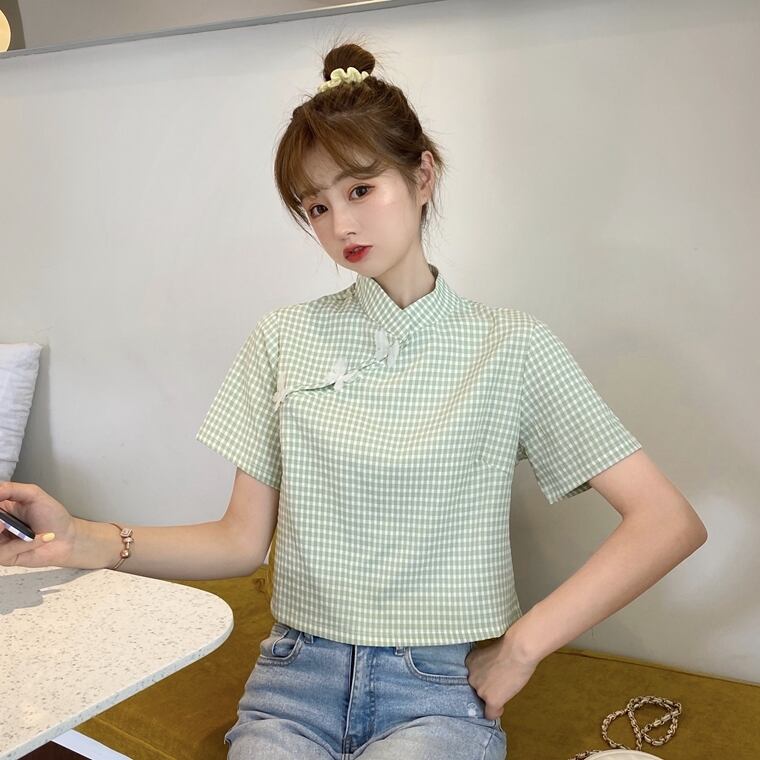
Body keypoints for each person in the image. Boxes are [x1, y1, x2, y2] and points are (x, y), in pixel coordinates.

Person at [0, 37, 707, 760]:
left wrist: (523, 646)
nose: (340, 225)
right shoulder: (283, 337)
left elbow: (666, 521)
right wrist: (80, 538)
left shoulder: (512, 346)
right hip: (292, 683)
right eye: (316, 206)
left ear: (422, 175)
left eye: (360, 190)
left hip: (437, 691)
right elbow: (239, 540)